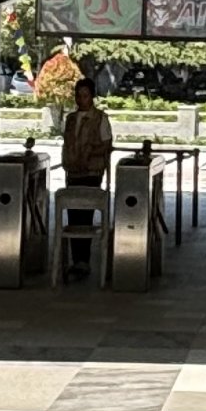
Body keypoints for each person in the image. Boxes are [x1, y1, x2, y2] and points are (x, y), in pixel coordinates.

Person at [59, 79, 113, 282]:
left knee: (86, 215)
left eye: (85, 95)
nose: (81, 99)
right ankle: (76, 259)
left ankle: (85, 259)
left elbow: (107, 145)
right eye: (78, 95)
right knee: (73, 216)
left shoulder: (100, 119)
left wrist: (91, 152)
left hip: (91, 173)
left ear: (92, 96)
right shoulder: (71, 118)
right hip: (73, 172)